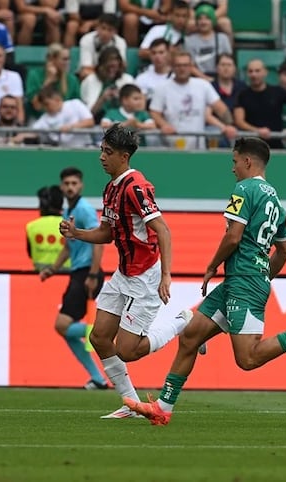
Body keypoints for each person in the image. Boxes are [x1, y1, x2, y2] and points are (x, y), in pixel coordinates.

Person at [123, 137, 286, 426]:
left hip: (243, 281)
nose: (232, 169)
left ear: (247, 161)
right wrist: (263, 275)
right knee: (190, 337)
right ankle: (163, 408)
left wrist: (213, 265)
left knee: (248, 359)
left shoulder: (245, 189)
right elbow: (285, 250)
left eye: (234, 161)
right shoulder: (276, 202)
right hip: (243, 280)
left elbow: (233, 235)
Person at [59, 123, 188, 419]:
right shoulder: (111, 188)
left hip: (145, 276)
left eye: (108, 152)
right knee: (100, 337)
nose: (101, 157)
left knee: (129, 349)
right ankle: (131, 404)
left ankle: (183, 322)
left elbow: (163, 231)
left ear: (124, 156)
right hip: (123, 273)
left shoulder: (136, 187)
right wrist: (77, 233)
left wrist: (166, 275)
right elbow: (107, 234)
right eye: (101, 150)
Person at [39, 167, 108, 390]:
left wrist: (93, 274)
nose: (70, 187)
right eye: (66, 183)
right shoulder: (69, 210)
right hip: (79, 273)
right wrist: (52, 269)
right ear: (62, 187)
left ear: (81, 185)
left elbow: (99, 240)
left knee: (62, 325)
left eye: (74, 183)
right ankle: (97, 378)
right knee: (64, 329)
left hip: (87, 273)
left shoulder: (85, 210)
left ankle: (107, 331)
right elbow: (69, 247)